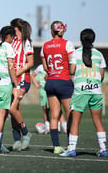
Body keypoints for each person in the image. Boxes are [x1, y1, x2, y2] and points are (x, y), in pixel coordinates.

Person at [60, 29, 108, 157]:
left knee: (75, 121)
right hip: (96, 90)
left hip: (81, 90)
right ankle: (103, 149)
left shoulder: (76, 53)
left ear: (81, 39)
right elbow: (102, 76)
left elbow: (71, 71)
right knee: (98, 121)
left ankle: (72, 149)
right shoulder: (99, 54)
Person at [40, 21, 74, 154]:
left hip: (51, 82)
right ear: (62, 30)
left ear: (51, 31)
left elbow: (45, 67)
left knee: (53, 116)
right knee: (70, 115)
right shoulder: (67, 43)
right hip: (64, 81)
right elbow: (72, 63)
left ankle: (56, 146)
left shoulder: (45, 45)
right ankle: (71, 145)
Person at [9, 18, 33, 151]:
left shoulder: (26, 42)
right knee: (14, 110)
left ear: (16, 28)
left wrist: (17, 72)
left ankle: (25, 133)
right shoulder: (13, 42)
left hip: (23, 79)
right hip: (12, 80)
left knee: (12, 109)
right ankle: (17, 140)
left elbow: (30, 63)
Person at [31, 64, 50, 133]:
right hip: (43, 89)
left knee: (54, 108)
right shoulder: (40, 67)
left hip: (51, 88)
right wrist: (36, 84)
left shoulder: (51, 65)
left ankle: (59, 126)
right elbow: (32, 75)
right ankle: (47, 127)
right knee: (45, 109)